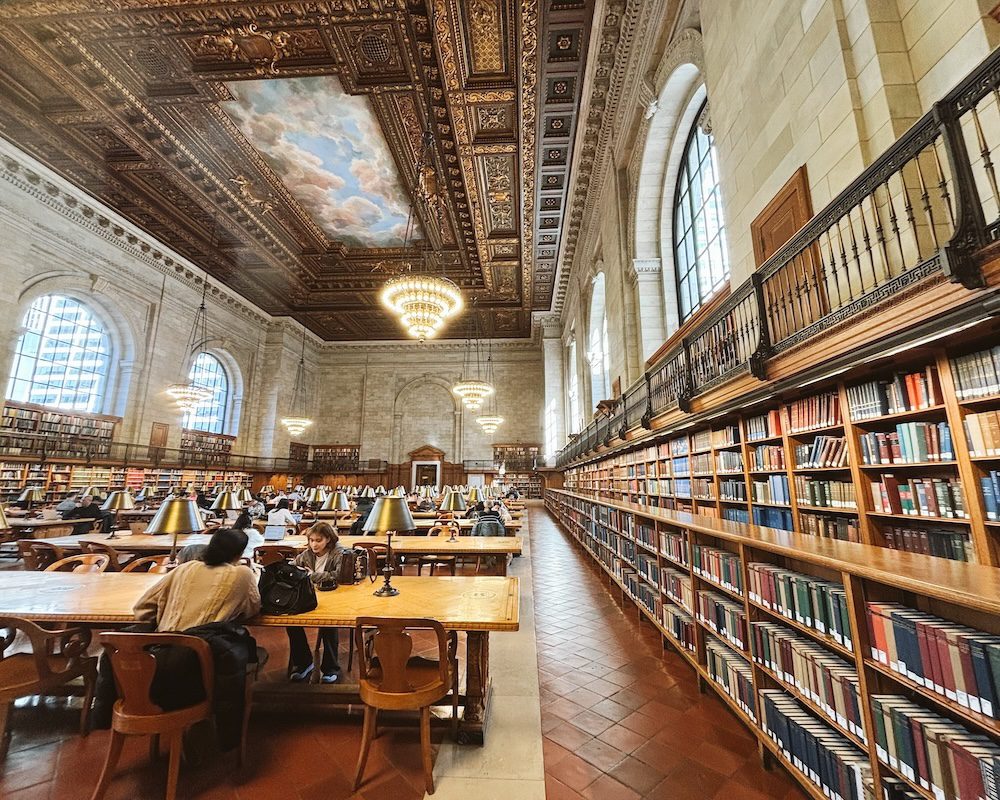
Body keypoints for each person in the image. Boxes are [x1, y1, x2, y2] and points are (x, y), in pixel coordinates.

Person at [132, 528, 260, 631]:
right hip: (208, 652)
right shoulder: (242, 574)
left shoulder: (185, 568)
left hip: (162, 648)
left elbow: (143, 606)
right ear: (240, 554)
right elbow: (252, 608)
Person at [285, 523, 347, 683]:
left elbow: (339, 575)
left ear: (328, 539)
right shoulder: (306, 555)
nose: (314, 544)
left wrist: (312, 576)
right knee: (290, 621)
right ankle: (303, 663)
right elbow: (293, 570)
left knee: (329, 623)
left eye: (318, 540)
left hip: (335, 598)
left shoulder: (339, 553)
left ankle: (330, 667)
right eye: (311, 540)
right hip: (310, 597)